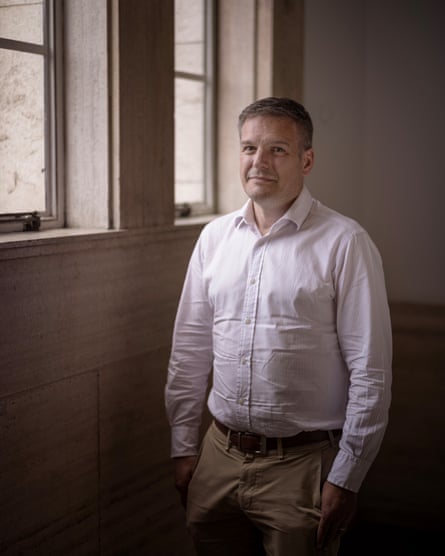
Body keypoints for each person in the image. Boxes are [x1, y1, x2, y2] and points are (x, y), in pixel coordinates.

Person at [165, 97, 392, 556]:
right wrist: (184, 447)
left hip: (303, 468)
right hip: (217, 457)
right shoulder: (214, 238)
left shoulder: (345, 243)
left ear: (307, 160)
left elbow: (371, 372)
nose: (258, 161)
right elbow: (188, 352)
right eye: (249, 148)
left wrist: (347, 477)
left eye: (277, 150)